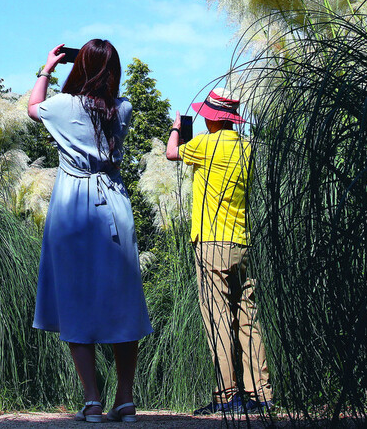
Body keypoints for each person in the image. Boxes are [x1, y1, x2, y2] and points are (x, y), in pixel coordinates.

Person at [28, 39, 153, 424]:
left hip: (73, 206)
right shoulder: (124, 109)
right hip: (113, 203)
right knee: (122, 298)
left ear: (79, 66)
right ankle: (127, 400)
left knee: (75, 297)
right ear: (113, 71)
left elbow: (33, 108)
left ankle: (92, 401)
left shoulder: (64, 107)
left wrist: (47, 68)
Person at [165, 87, 273, 415]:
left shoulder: (204, 144)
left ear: (211, 117)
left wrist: (175, 128)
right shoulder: (247, 147)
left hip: (212, 244)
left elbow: (172, 152)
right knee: (247, 317)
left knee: (218, 319)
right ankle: (261, 393)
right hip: (242, 242)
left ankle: (227, 395)